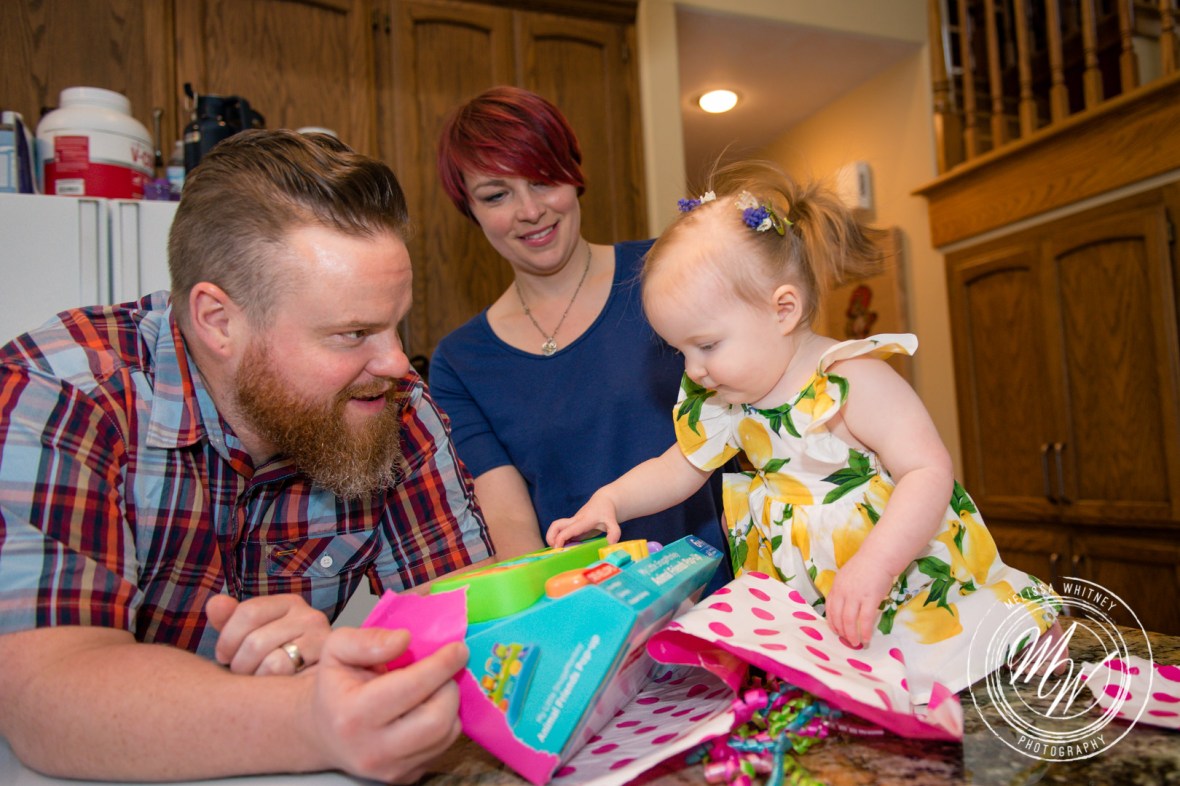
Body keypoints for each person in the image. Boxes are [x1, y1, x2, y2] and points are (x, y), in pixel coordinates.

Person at [0, 129, 493, 782]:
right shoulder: (63, 393)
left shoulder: (390, 401)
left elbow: (475, 626)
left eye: (395, 323)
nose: (398, 362)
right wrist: (307, 713)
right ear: (219, 321)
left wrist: (342, 660)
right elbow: (48, 694)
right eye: (353, 332)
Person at [546, 161, 1061, 702]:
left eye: (707, 345)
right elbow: (677, 467)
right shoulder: (728, 401)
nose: (694, 369)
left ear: (783, 310)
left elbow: (927, 470)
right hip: (809, 592)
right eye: (681, 352)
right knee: (847, 687)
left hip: (898, 571)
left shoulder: (850, 381)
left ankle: (1028, 638)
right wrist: (611, 499)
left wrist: (877, 563)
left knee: (949, 645)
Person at [429, 86, 730, 584]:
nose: (530, 210)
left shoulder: (669, 271)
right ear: (471, 210)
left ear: (572, 175)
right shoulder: (460, 362)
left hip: (728, 590)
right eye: (497, 195)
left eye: (543, 180)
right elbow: (510, 524)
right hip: (589, 605)